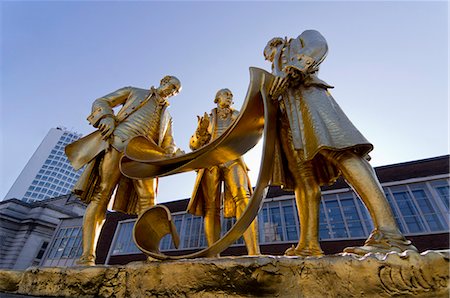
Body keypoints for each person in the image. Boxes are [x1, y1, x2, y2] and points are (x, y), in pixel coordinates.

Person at [263, 30, 417, 256]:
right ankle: (309, 245)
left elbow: (318, 44)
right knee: (302, 179)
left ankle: (390, 234)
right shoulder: (272, 70)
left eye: (269, 51)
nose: (268, 56)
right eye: (267, 57)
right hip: (285, 118)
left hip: (308, 99)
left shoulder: (300, 41)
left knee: (343, 153)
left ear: (276, 43)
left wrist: (293, 69)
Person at [66, 75, 182, 265]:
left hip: (145, 157)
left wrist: (171, 151)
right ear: (164, 81)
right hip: (119, 144)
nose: (173, 92)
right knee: (102, 193)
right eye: (173, 86)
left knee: (149, 201)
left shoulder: (168, 117)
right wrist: (106, 117)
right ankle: (87, 256)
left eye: (176, 91)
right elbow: (102, 101)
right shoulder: (134, 91)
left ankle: (152, 255)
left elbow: (169, 141)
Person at [187, 88, 260, 256]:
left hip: (233, 159)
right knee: (211, 207)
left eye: (231, 95)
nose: (230, 97)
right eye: (226, 94)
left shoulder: (239, 114)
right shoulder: (208, 118)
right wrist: (200, 131)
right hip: (210, 161)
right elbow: (193, 145)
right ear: (216, 98)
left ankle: (254, 252)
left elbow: (252, 131)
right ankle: (214, 255)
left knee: (244, 198)